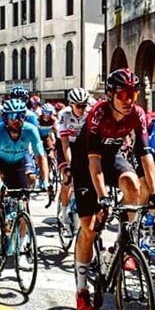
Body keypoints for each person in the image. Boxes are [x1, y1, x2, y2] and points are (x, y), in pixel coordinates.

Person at [71, 68, 155, 310]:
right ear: (110, 94)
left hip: (113, 158)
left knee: (133, 183)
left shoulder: (137, 114)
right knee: (89, 228)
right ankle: (81, 290)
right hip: (86, 163)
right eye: (123, 94)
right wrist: (103, 197)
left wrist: (153, 193)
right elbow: (94, 162)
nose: (129, 99)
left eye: (133, 93)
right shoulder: (98, 114)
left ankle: (123, 244)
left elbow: (145, 154)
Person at [0, 99, 44, 234]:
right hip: (1, 162)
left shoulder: (30, 129)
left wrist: (46, 180)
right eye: (13, 116)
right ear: (6, 119)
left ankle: (23, 245)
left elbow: (41, 156)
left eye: (21, 116)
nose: (17, 120)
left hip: (19, 162)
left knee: (23, 206)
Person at [57, 87, 90, 227]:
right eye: (78, 106)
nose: (82, 109)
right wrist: (70, 165)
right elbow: (65, 144)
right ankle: (63, 212)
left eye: (84, 105)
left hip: (81, 145)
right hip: (66, 144)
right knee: (68, 178)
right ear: (71, 105)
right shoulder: (64, 115)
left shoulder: (89, 114)